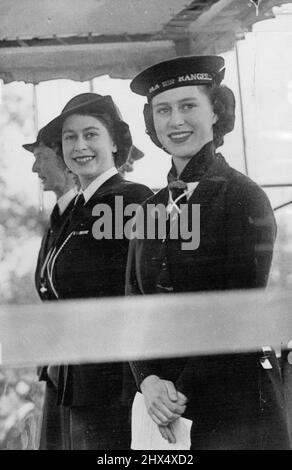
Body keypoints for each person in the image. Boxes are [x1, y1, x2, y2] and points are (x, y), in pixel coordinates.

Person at [126, 55, 290, 449]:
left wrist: (175, 395)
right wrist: (147, 380)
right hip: (162, 406)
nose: (175, 121)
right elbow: (133, 302)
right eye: (163, 110)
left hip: (234, 407)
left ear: (215, 112)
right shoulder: (150, 207)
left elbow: (236, 310)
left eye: (188, 106)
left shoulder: (243, 196)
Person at [38, 92, 152, 450]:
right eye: (70, 137)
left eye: (91, 134)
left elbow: (144, 292)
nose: (79, 146)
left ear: (115, 142)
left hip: (113, 384)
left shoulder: (129, 199)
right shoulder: (75, 209)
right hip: (75, 380)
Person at [23, 128, 78, 301]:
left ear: (69, 164)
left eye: (42, 157)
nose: (34, 168)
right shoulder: (55, 221)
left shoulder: (86, 217)